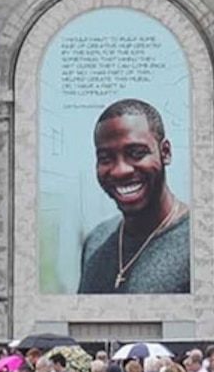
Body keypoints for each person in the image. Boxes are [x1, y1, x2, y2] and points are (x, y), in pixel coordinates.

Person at [76, 98, 191, 294]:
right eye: (105, 158)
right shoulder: (96, 241)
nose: (120, 170)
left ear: (165, 152)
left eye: (136, 153)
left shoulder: (200, 243)